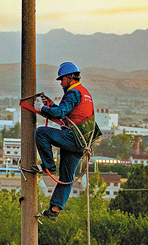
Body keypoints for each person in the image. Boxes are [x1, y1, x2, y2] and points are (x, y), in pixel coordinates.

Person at [27, 61, 100, 220]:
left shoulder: (73, 92)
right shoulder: (84, 92)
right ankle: (54, 210)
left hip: (74, 138)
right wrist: (51, 107)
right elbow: (66, 113)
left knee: (41, 133)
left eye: (62, 79)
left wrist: (43, 109)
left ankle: (48, 165)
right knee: (66, 179)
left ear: (70, 77)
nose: (60, 83)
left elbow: (61, 112)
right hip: (82, 143)